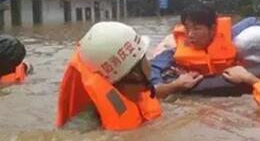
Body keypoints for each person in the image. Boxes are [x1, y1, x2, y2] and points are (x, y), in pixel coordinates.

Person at [56, 22, 201, 132]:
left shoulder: (131, 92)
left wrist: (176, 86)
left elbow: (149, 94)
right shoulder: (85, 126)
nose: (149, 62)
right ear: (135, 73)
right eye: (144, 58)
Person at [150, 3, 260, 95]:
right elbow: (153, 74)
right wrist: (174, 86)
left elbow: (252, 21)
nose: (190, 34)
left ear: (212, 29)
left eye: (196, 28)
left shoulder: (230, 37)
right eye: (187, 28)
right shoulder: (175, 51)